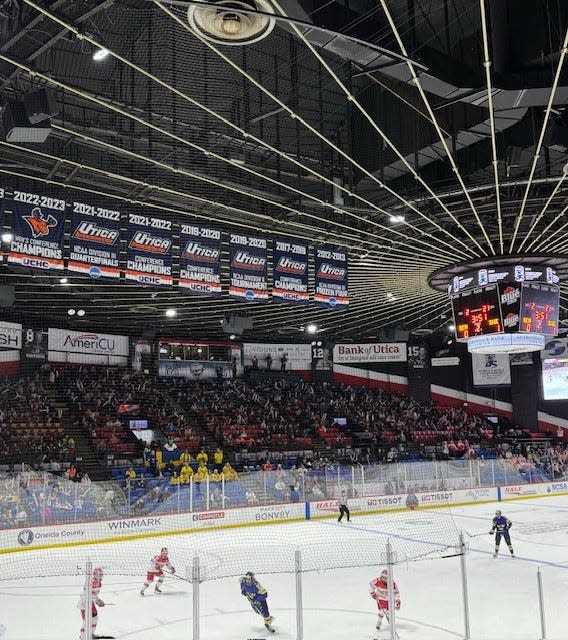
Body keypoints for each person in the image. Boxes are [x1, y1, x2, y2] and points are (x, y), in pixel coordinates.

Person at [78, 566, 105, 640]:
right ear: (95, 575)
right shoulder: (92, 582)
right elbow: (87, 593)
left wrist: (98, 601)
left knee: (95, 617)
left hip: (90, 603)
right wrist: (97, 601)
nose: (101, 576)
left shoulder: (99, 584)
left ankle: (90, 634)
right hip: (84, 603)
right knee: (86, 620)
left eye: (101, 575)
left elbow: (93, 595)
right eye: (99, 575)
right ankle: (83, 637)